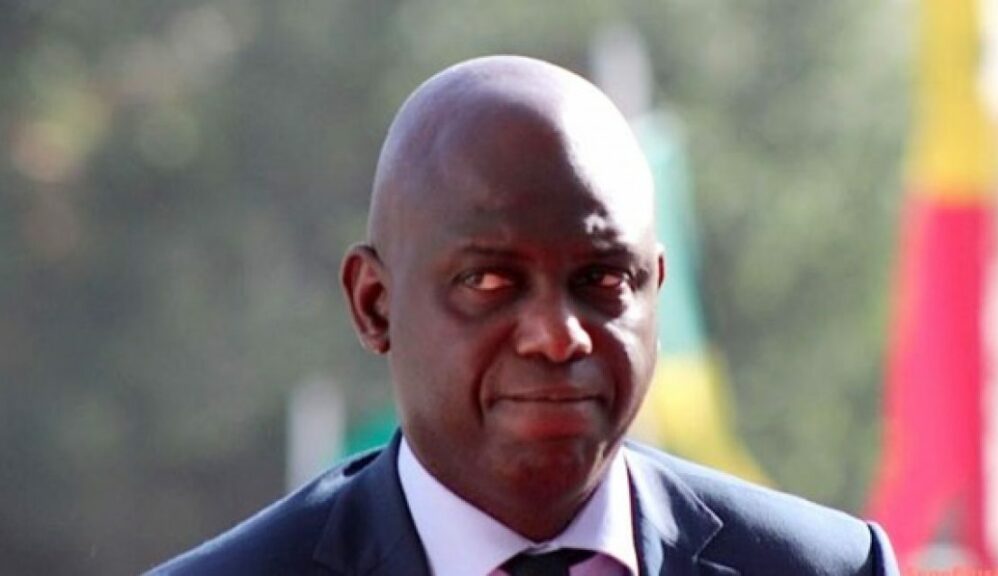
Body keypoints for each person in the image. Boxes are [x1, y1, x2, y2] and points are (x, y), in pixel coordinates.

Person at [150, 55, 899, 575]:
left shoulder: (827, 569)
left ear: (656, 294)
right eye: (488, 280)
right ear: (374, 304)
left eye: (603, 278)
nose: (557, 334)